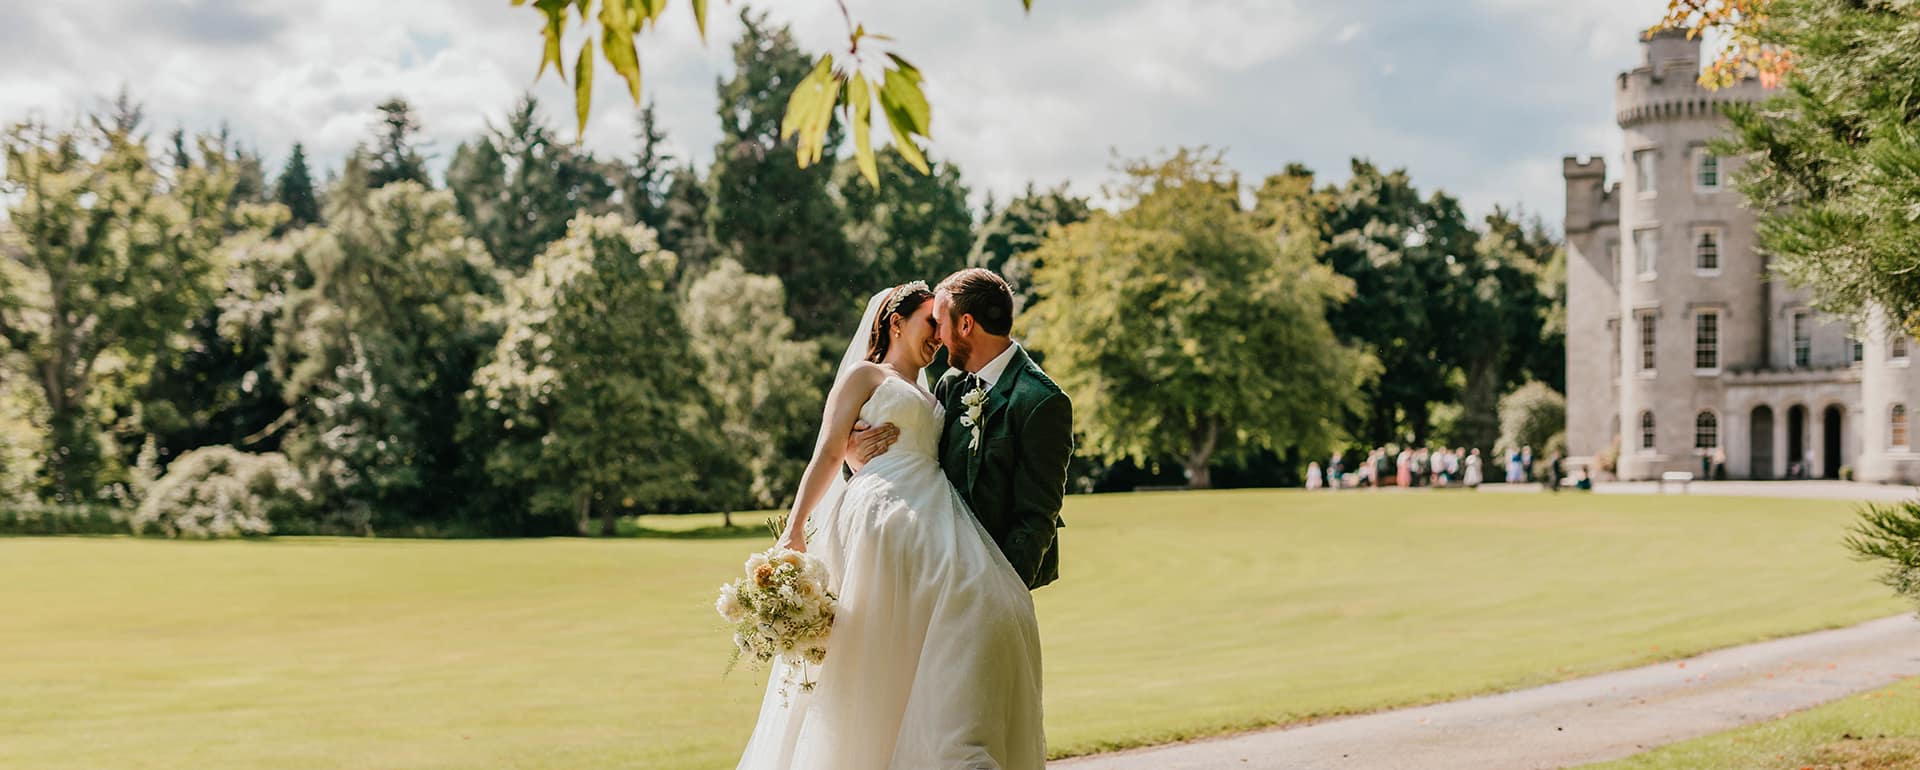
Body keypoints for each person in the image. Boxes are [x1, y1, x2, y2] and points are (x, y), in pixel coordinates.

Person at [738, 272, 1071, 770]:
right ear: (896, 323)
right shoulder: (891, 378)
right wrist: (808, 510)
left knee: (939, 641)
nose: (937, 335)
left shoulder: (984, 393)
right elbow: (830, 449)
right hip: (892, 517)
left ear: (965, 324)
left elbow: (1034, 509)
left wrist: (1007, 580)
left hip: (945, 522)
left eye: (941, 323)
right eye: (928, 323)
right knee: (874, 653)